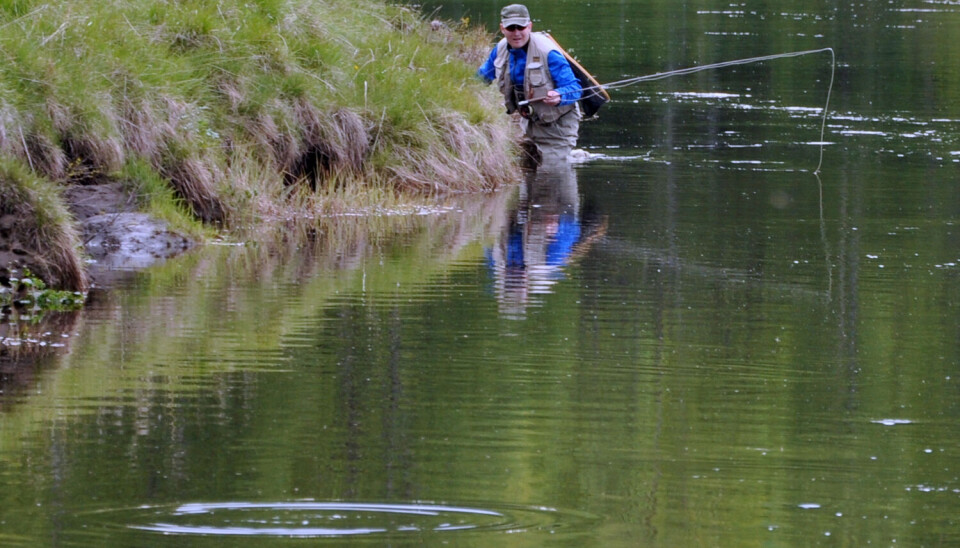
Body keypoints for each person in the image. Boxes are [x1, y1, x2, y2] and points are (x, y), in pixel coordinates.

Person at [477, 4, 583, 165]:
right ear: (502, 29)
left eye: (521, 27)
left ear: (530, 26)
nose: (516, 32)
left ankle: (569, 155)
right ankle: (576, 156)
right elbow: (479, 79)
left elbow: (575, 88)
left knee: (551, 169)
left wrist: (559, 96)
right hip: (529, 122)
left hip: (559, 125)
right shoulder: (499, 50)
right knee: (528, 171)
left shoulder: (548, 52)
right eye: (511, 28)